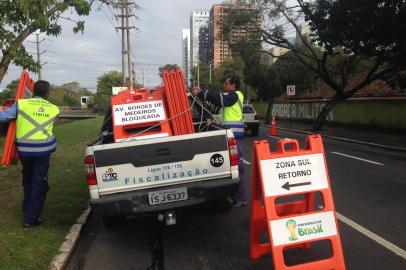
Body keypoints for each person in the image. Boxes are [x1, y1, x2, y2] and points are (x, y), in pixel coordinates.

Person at [0, 80, 59, 228]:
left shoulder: (21, 104)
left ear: (33, 91)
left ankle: (27, 209)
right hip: (43, 151)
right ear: (48, 93)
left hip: (24, 151)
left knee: (28, 178)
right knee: (39, 182)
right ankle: (31, 218)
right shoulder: (54, 109)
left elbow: (3, 117)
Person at [192, 76, 247, 207]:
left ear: (233, 86)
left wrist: (201, 92)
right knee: (234, 168)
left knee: (238, 168)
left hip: (235, 136)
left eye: (226, 84)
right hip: (230, 136)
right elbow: (214, 104)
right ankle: (237, 196)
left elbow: (219, 98)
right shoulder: (230, 99)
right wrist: (200, 95)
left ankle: (241, 198)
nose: (224, 86)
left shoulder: (234, 96)